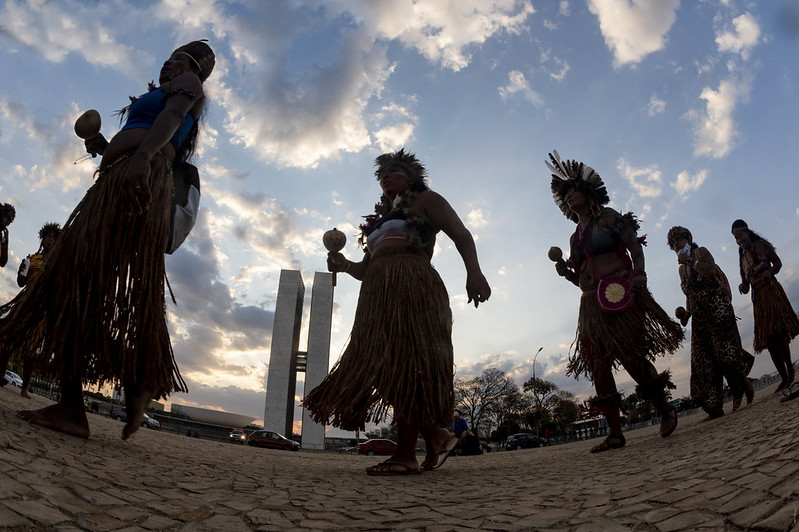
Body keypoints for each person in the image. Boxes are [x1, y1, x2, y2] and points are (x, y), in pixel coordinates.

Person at [0, 40, 215, 439]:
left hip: (136, 179)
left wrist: (141, 159)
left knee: (69, 279)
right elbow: (144, 128)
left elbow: (171, 116)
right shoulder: (156, 93)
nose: (170, 64)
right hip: (122, 177)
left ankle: (78, 404)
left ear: (195, 70)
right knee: (87, 286)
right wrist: (105, 148)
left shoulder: (188, 85)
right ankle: (139, 378)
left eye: (180, 61)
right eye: (167, 59)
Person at [303, 149, 491, 475]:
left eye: (394, 171)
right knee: (383, 367)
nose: (385, 177)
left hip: (414, 285)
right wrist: (344, 265)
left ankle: (406, 454)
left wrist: (473, 272)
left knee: (408, 362)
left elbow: (460, 233)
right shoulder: (379, 221)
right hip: (377, 294)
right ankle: (436, 435)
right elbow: (365, 268)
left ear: (412, 177)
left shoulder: (427, 201)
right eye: (382, 174)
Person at [547, 151, 683, 453]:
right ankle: (616, 434)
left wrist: (639, 274)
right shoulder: (575, 237)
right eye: (566, 195)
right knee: (598, 365)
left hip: (621, 293)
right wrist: (566, 273)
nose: (570, 198)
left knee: (633, 357)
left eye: (574, 192)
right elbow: (580, 276)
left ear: (588, 193)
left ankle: (665, 409)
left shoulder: (609, 218)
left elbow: (634, 245)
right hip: (591, 304)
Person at [666, 226, 754, 419]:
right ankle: (714, 407)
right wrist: (685, 314)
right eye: (673, 246)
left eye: (678, 242)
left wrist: (691, 260)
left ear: (688, 238)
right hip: (699, 318)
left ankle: (743, 385)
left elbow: (710, 271)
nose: (676, 248)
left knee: (725, 353)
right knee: (702, 362)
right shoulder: (682, 270)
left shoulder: (701, 252)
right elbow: (690, 293)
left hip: (717, 308)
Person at [731, 220, 799, 393]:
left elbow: (777, 263)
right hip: (758, 298)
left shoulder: (760, 245)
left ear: (747, 232)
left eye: (740, 236)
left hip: (770, 291)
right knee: (768, 340)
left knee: (779, 333)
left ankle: (790, 371)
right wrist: (743, 286)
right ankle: (783, 376)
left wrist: (770, 272)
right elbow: (745, 281)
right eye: (736, 238)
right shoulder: (742, 256)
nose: (739, 240)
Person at [13, 222, 62, 398]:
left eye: (54, 238)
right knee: (9, 337)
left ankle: (25, 387)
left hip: (41, 309)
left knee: (33, 350)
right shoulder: (32, 258)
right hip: (24, 303)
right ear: (43, 240)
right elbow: (21, 283)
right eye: (48, 237)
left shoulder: (57, 263)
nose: (50, 241)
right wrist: (20, 272)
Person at [0, 202, 15, 267]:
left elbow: (2, 263)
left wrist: (6, 242)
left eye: (9, 221)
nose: (7, 222)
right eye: (6, 217)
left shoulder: (2, 237)